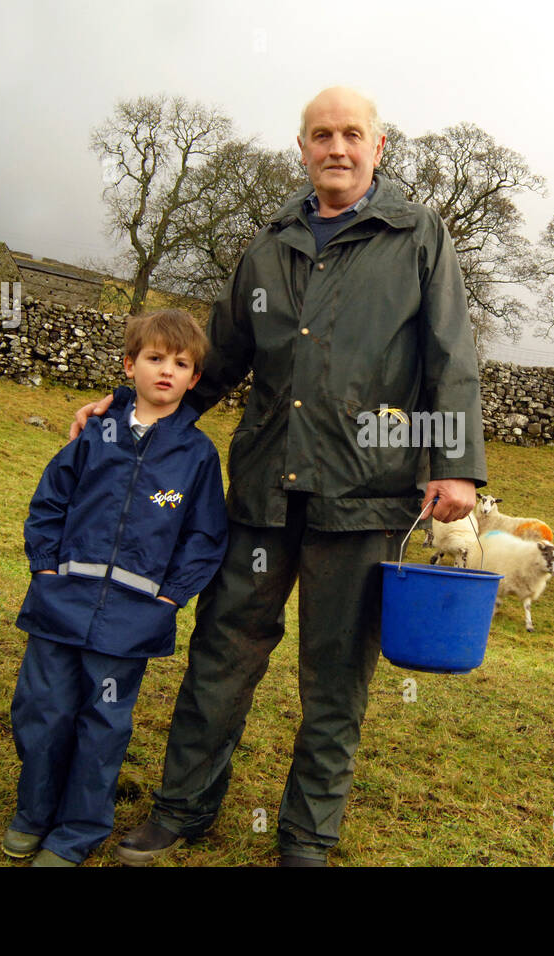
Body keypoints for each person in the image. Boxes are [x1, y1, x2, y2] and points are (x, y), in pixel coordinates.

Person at [71, 86, 486, 866]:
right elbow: (217, 357)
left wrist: (457, 469)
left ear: (378, 147)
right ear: (302, 149)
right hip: (263, 493)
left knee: (335, 677)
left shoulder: (418, 236)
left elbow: (450, 358)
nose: (337, 147)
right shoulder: (268, 245)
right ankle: (182, 809)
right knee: (221, 654)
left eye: (351, 134)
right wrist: (133, 406)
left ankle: (306, 836)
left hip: (364, 498)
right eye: (321, 135)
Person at [4, 309, 228, 866]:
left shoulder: (197, 456)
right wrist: (46, 569)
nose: (166, 371)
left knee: (101, 726)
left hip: (131, 621)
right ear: (130, 365)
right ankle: (34, 814)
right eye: (154, 358)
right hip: (61, 602)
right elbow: (50, 501)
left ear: (195, 378)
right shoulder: (95, 432)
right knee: (41, 709)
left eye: (181, 364)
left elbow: (204, 535)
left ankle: (75, 835)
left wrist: (170, 597)